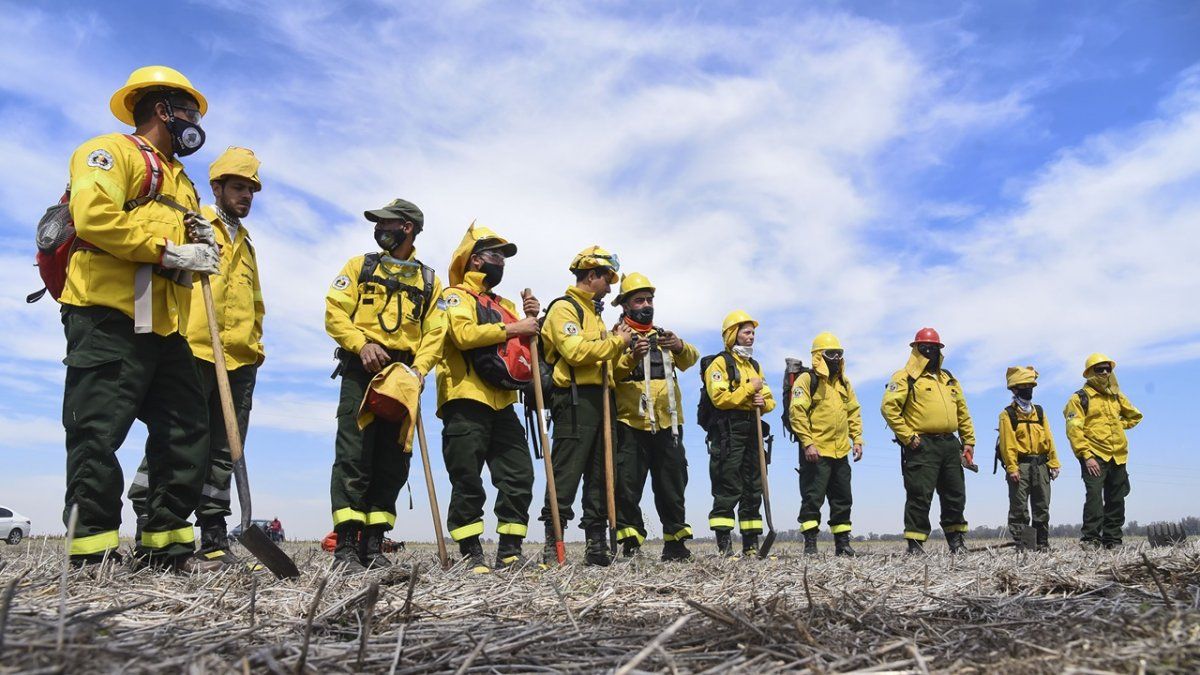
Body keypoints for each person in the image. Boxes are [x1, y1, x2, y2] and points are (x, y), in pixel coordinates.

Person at [60, 66, 221, 571]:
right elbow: (94, 218)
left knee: (185, 430)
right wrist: (169, 252)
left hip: (164, 324)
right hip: (108, 316)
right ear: (162, 110)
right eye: (190, 112)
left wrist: (201, 248)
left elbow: (183, 254)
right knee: (98, 432)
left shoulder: (183, 182)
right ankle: (93, 552)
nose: (196, 123)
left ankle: (166, 547)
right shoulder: (110, 152)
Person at [128, 147, 266, 565]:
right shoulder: (193, 222)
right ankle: (149, 520)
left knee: (225, 451)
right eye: (238, 187)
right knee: (179, 442)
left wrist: (255, 345)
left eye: (251, 190)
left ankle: (213, 533)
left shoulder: (247, 242)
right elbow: (155, 271)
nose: (245, 196)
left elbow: (254, 301)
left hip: (240, 360)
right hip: (193, 348)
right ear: (217, 187)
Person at [325, 199, 446, 570]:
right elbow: (334, 311)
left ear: (407, 227)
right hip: (362, 371)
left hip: (405, 376)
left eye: (386, 223)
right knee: (353, 454)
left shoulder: (430, 281)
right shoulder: (359, 266)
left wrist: (419, 370)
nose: (379, 229)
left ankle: (374, 546)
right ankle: (346, 546)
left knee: (393, 461)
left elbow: (436, 332)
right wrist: (361, 345)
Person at [437, 223, 539, 572]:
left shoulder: (506, 305)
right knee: (467, 478)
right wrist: (516, 327)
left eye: (505, 257)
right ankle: (470, 555)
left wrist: (530, 320)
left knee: (519, 475)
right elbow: (463, 335)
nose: (502, 263)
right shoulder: (454, 296)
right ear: (476, 260)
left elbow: (522, 350)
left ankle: (510, 551)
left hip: (502, 401)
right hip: (465, 397)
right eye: (496, 255)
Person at [538, 246, 632, 566]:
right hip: (576, 400)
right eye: (607, 278)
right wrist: (617, 341)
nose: (610, 285)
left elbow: (608, 364)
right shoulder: (564, 309)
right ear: (591, 276)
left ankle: (597, 547)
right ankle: (554, 545)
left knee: (601, 475)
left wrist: (628, 352)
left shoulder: (596, 315)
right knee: (566, 473)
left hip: (604, 398)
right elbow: (576, 353)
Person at [610, 273, 698, 561]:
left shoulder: (664, 336)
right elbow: (608, 374)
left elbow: (690, 360)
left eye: (649, 299)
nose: (646, 305)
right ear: (625, 306)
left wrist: (680, 346)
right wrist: (630, 357)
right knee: (627, 485)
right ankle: (631, 543)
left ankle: (675, 544)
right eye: (639, 300)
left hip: (668, 424)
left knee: (672, 484)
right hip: (630, 423)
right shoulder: (616, 337)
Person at [880, 328, 976, 555]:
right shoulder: (904, 377)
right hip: (922, 445)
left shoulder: (949, 379)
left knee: (955, 494)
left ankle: (956, 542)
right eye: (924, 348)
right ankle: (915, 544)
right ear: (915, 349)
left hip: (950, 445)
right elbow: (888, 408)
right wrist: (909, 437)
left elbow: (962, 411)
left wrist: (968, 441)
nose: (930, 352)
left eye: (934, 348)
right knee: (919, 494)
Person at [705, 310, 775, 557]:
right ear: (733, 334)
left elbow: (769, 400)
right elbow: (720, 398)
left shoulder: (755, 366)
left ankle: (751, 545)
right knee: (728, 484)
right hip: (729, 431)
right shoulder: (720, 364)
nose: (751, 336)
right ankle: (725, 547)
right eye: (746, 332)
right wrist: (749, 390)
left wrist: (762, 402)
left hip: (753, 430)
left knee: (753, 485)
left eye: (753, 332)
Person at [788, 332, 863, 556]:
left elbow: (853, 411)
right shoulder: (806, 380)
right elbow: (797, 413)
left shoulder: (844, 382)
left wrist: (857, 438)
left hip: (841, 452)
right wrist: (808, 443)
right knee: (812, 498)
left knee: (842, 499)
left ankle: (842, 544)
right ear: (819, 356)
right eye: (831, 354)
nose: (836, 358)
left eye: (839, 354)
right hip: (816, 452)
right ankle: (810, 544)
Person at [1064, 354, 1143, 549]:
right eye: (1100, 369)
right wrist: (1086, 455)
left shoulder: (1115, 395)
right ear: (1090, 373)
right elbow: (1074, 429)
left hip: (1118, 455)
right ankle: (1090, 539)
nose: (1105, 372)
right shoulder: (1079, 398)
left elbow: (1135, 415)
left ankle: (1113, 539)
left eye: (1108, 369)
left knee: (1117, 498)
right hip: (1094, 456)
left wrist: (1119, 424)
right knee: (1094, 497)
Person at [997, 366, 1060, 551]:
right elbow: (1007, 444)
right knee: (1019, 508)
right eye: (1024, 386)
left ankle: (1042, 543)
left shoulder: (1039, 412)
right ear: (1015, 389)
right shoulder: (1007, 414)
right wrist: (1012, 468)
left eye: (1031, 385)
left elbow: (1049, 438)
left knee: (1042, 506)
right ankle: (1024, 545)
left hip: (1041, 464)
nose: (1029, 389)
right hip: (1020, 465)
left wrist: (1054, 463)